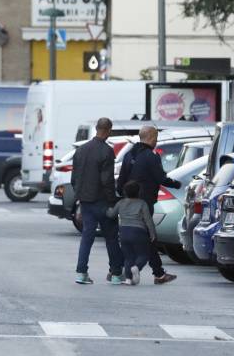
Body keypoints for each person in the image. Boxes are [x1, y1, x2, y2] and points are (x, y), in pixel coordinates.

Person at [117, 125, 181, 285]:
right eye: (156, 139)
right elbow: (160, 178)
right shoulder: (151, 157)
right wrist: (177, 184)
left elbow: (121, 181)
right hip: (145, 203)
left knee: (132, 236)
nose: (156, 142)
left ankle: (156, 273)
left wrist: (122, 196)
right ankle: (142, 272)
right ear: (152, 138)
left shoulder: (128, 155)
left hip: (127, 203)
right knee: (148, 237)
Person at [71, 117, 124, 285]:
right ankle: (116, 274)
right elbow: (107, 180)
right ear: (109, 130)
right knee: (111, 237)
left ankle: (81, 273)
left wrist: (80, 195)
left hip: (85, 201)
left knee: (87, 236)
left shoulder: (81, 150)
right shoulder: (107, 151)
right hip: (102, 201)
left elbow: (74, 178)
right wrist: (112, 200)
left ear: (96, 128)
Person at [107, 181, 157, 285]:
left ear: (125, 192)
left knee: (128, 257)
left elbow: (112, 214)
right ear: (139, 192)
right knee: (143, 254)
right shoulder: (142, 203)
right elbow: (148, 220)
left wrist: (106, 210)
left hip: (124, 231)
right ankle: (137, 267)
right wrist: (152, 233)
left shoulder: (121, 203)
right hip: (138, 232)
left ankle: (128, 279)